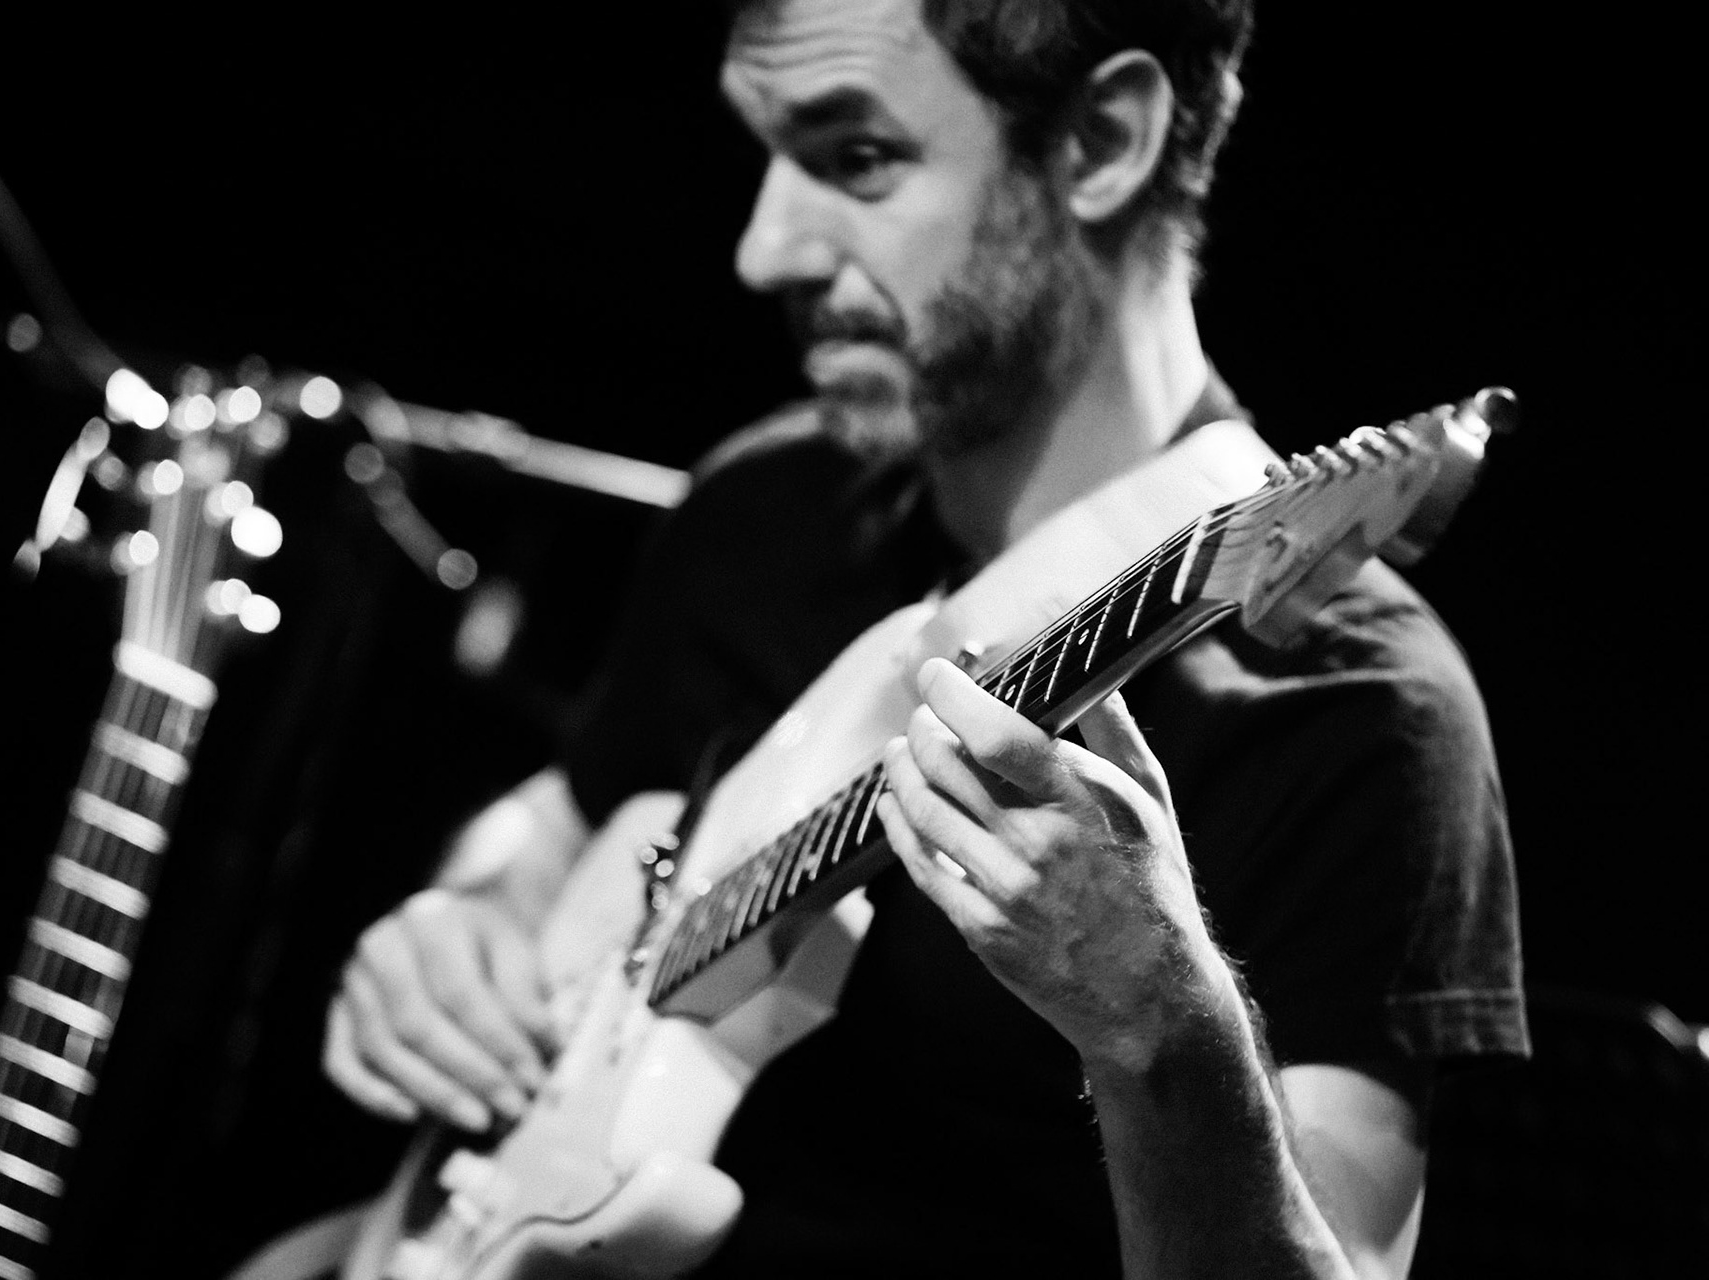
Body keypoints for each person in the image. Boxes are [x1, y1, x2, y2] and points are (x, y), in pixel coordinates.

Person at [323, 0, 1527, 1275]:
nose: (762, 248)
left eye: (857, 159)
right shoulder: (766, 507)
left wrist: (1164, 1027)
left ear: (1103, 141)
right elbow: (561, 821)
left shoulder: (1359, 710)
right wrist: (469, 914)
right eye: (771, 156)